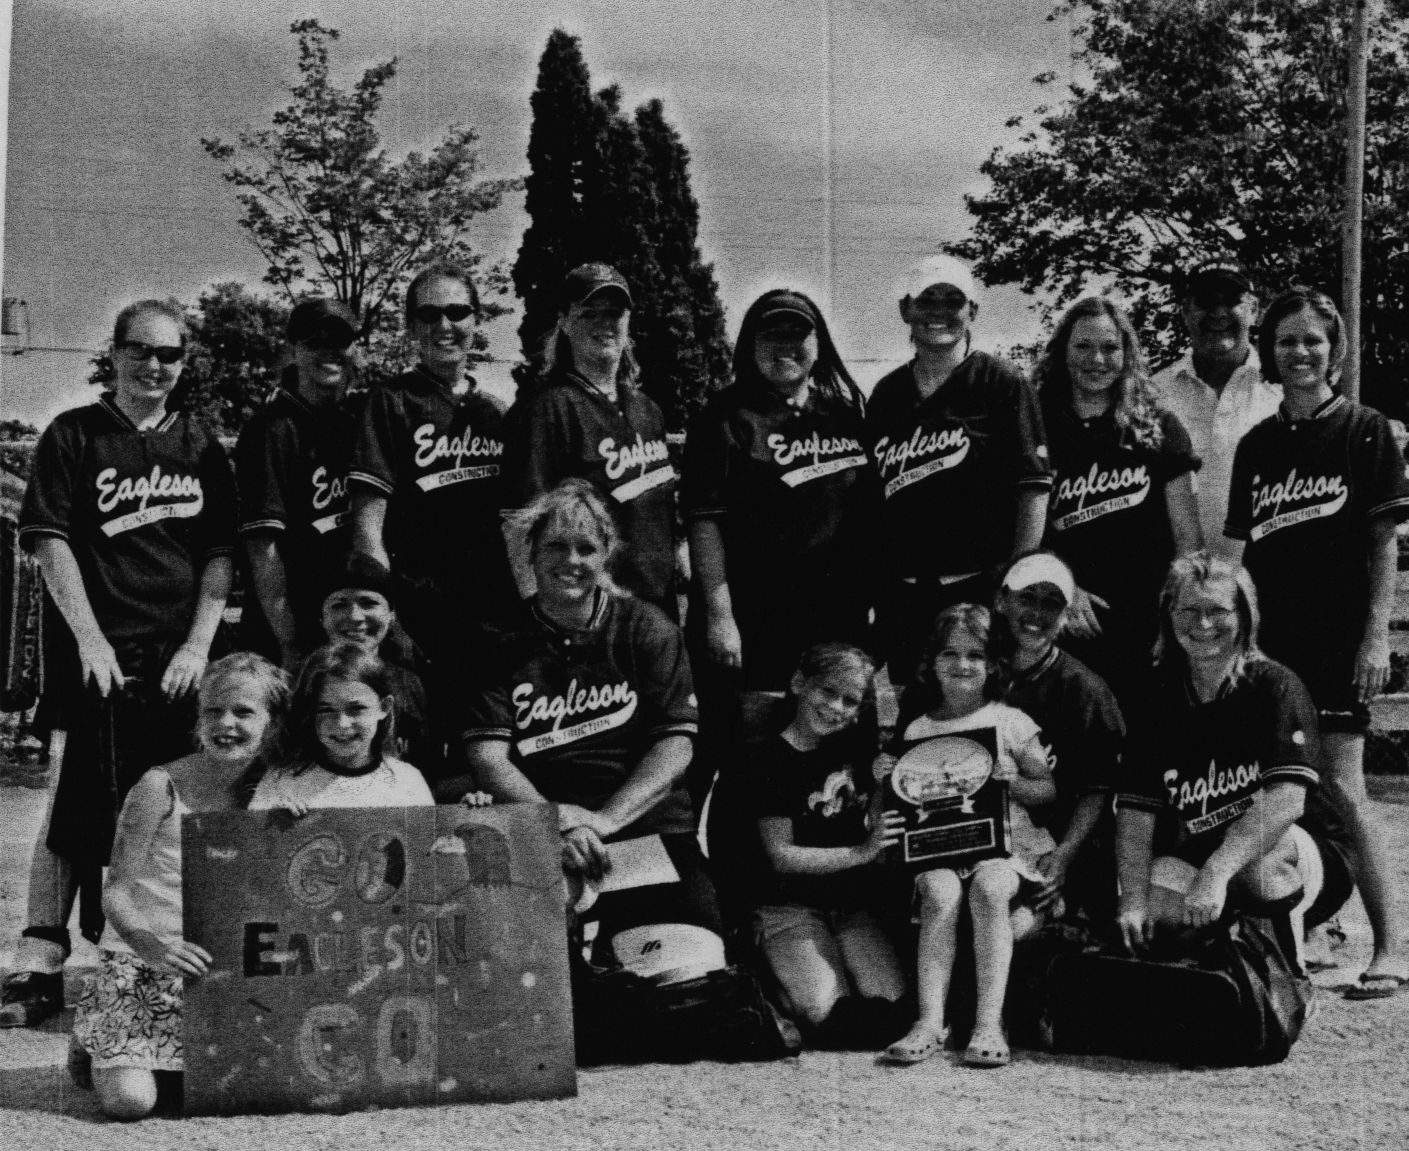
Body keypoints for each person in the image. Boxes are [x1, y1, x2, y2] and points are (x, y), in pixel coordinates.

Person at [5, 300, 236, 1028]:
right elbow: (49, 542)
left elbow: (220, 555)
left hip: (177, 660)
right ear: (115, 352)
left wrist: (198, 645)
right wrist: (90, 639)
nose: (154, 366)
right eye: (140, 350)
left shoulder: (199, 443)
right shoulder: (75, 432)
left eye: (169, 354)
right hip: (99, 655)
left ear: (184, 361)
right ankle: (40, 956)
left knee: (176, 802)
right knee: (75, 802)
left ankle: (160, 949)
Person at [451, 479, 724, 985]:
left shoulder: (646, 626)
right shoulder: (495, 642)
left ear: (606, 555)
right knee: (531, 989)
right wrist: (555, 825)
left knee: (689, 978)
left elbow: (675, 747)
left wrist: (602, 820)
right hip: (540, 830)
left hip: (645, 831)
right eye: (556, 546)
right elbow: (488, 759)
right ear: (531, 553)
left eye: (585, 548)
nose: (571, 561)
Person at [1224, 287, 1409, 997]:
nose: (1299, 352)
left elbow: (1382, 545)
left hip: (1336, 641)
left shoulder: (1364, 430)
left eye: (1312, 340)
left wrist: (1373, 638)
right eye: (1285, 340)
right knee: (1268, 788)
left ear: (1334, 350)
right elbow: (1243, 554)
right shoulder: (1257, 444)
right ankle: (1291, 933)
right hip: (1271, 645)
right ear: (1267, 352)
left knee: (1343, 788)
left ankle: (1389, 946)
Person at [71, 653, 288, 1120]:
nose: (226, 723)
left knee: (249, 1091)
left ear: (271, 723)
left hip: (220, 968)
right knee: (131, 1103)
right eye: (213, 710)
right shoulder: (159, 786)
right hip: (146, 960)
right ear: (198, 717)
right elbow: (115, 891)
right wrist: (154, 947)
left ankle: (136, 1052)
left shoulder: (280, 788)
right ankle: (96, 1032)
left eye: (243, 712)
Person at [1115, 554, 1319, 961]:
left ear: (1244, 615)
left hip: (1289, 852)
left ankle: (1290, 980)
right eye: (1189, 610)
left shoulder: (1274, 685)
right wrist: (1132, 900)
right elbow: (1136, 814)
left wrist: (1216, 871)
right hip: (1199, 854)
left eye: (1218, 610)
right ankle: (1225, 960)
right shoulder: (1157, 697)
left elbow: (1287, 801)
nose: (1203, 624)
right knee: (1151, 917)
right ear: (1169, 614)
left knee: (1258, 874)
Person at [877, 605, 1056, 1068]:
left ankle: (989, 1023)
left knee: (990, 888)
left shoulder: (1011, 721)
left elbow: (1047, 789)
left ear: (993, 664)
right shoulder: (919, 728)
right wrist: (888, 775)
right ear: (931, 662)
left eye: (975, 655)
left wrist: (1013, 781)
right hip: (941, 846)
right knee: (938, 892)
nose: (962, 664)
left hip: (1004, 846)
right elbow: (908, 796)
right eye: (950, 654)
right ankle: (929, 1022)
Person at [866, 255, 1051, 685]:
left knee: (979, 704)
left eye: (953, 301)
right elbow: (874, 500)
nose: (939, 312)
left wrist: (1016, 581)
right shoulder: (887, 394)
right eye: (926, 301)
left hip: (977, 590)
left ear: (973, 311)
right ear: (905, 309)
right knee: (914, 707)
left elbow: (1034, 489)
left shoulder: (1002, 382)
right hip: (905, 594)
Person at [348, 261, 513, 685]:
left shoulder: (497, 411)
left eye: (457, 312)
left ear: (476, 320)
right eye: (428, 314)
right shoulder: (389, 402)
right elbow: (368, 528)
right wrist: (390, 616)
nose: (444, 325)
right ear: (410, 327)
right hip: (420, 621)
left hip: (495, 613)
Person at [1035, 297, 1202, 693]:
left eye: (1110, 348)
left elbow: (1188, 539)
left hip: (1147, 625)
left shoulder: (1159, 426)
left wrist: (1175, 618)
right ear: (1062, 352)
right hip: (1070, 621)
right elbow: (1026, 531)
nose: (1097, 359)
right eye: (1083, 346)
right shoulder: (1037, 426)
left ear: (1127, 354)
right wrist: (1061, 587)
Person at [747, 643, 906, 1048]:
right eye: (827, 691)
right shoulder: (767, 758)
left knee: (895, 1013)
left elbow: (870, 820)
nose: (836, 707)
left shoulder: (851, 749)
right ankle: (774, 983)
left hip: (848, 904)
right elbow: (781, 856)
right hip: (788, 904)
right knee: (832, 1020)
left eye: (850, 701)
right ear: (800, 683)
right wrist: (862, 852)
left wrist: (882, 786)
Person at [501, 264, 678, 618]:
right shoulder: (547, 409)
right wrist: (540, 620)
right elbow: (520, 526)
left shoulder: (648, 410)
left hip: (659, 610)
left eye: (614, 313)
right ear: (565, 323)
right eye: (589, 314)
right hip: (591, 614)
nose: (604, 324)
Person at [991, 552, 1126, 923]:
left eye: (1051, 603)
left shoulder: (1084, 690)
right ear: (1001, 601)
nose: (1037, 613)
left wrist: (1064, 855)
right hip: (984, 841)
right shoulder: (976, 670)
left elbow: (1099, 788)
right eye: (1027, 598)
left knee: (1013, 929)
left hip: (1052, 851)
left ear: (1067, 615)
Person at [235, 297, 361, 668]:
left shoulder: (357, 421)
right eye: (313, 342)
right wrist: (289, 642)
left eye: (338, 341)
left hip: (349, 624)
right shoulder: (270, 429)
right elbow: (263, 548)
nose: (328, 351)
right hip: (290, 630)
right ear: (293, 350)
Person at [1153, 259, 1280, 550]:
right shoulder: (1151, 394)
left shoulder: (1284, 391)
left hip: (1265, 572)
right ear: (1185, 311)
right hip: (1178, 572)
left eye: (1232, 301)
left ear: (1253, 309)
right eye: (1206, 301)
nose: (1219, 313)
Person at [250, 643, 434, 812]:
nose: (342, 724)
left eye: (356, 708)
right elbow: (253, 836)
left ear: (384, 707)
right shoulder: (282, 782)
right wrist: (270, 821)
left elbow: (426, 836)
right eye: (326, 709)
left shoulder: (407, 782)